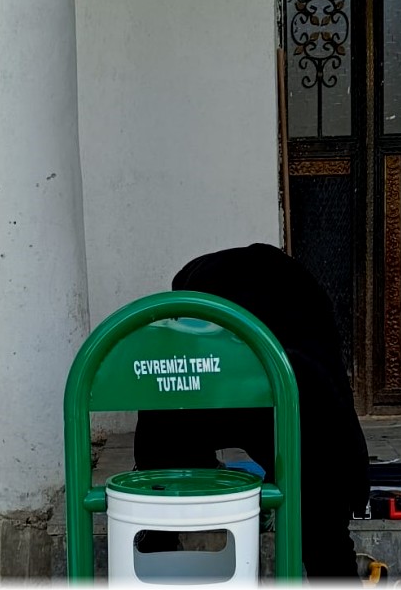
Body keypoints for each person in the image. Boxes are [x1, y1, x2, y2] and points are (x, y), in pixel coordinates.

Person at [133, 243, 370, 577]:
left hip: (212, 391)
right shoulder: (300, 306)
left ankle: (158, 550)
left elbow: (155, 443)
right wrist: (351, 489)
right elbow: (335, 408)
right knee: (324, 533)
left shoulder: (189, 320)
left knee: (160, 502)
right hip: (298, 393)